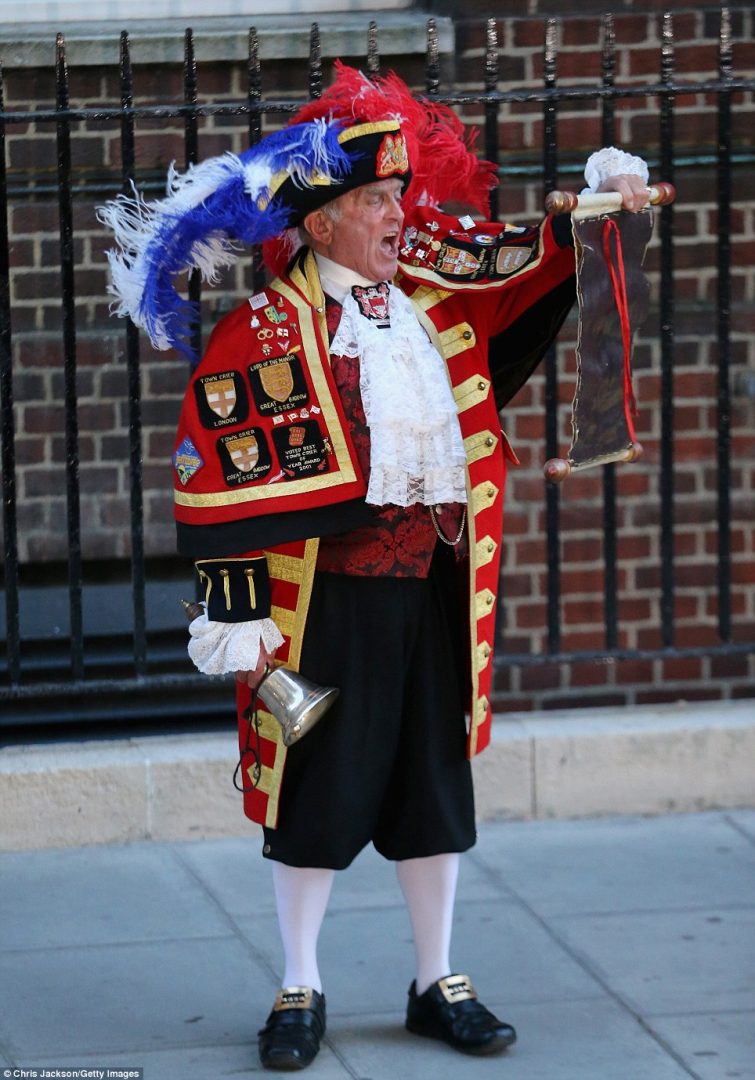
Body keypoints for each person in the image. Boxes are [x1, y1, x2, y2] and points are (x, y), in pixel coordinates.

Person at [99, 63, 650, 1070]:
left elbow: (530, 280)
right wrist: (233, 617)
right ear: (317, 225)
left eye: (397, 195)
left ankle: (434, 979)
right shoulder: (260, 331)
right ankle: (299, 986)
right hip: (325, 604)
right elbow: (215, 479)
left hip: (435, 591)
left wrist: (594, 214)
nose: (397, 216)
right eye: (370, 200)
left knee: (432, 791)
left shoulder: (439, 308)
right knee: (318, 793)